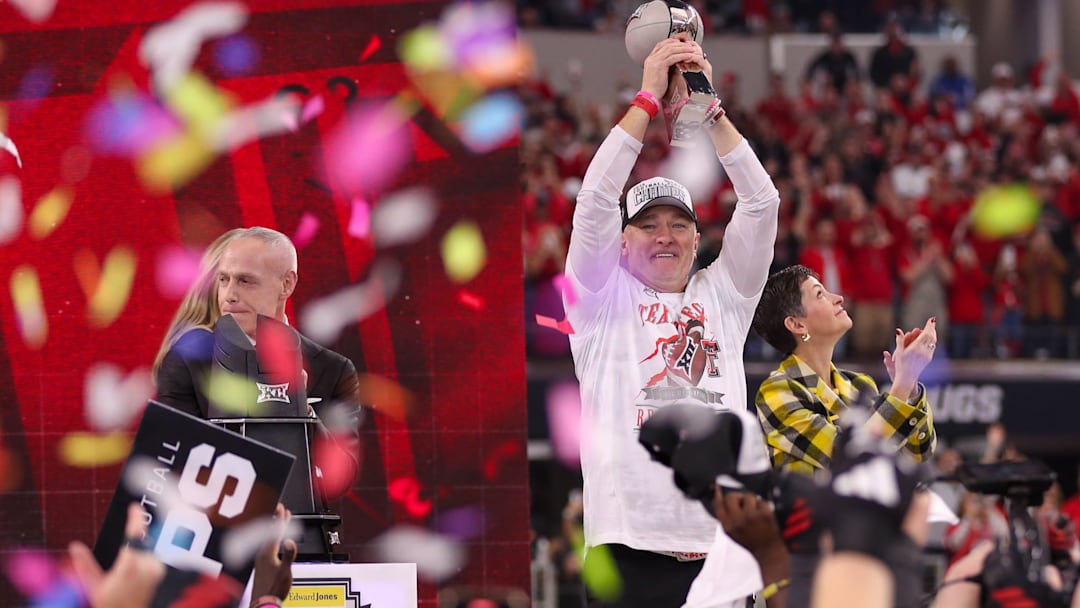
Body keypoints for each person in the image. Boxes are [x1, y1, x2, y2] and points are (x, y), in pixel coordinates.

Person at [564, 30, 780, 608]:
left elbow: (762, 204)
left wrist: (709, 109)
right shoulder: (598, 301)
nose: (665, 237)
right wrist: (646, 101)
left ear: (697, 237)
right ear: (623, 241)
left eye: (679, 225)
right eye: (649, 226)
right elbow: (592, 203)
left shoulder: (725, 297)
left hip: (723, 549)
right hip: (627, 548)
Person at [751, 264, 937, 607]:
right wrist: (899, 387)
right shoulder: (777, 391)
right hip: (806, 565)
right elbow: (842, 458)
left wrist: (908, 389)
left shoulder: (860, 386)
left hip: (874, 557)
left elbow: (918, 455)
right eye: (820, 293)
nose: (838, 297)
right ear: (796, 324)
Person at [153, 227, 360, 419]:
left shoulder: (335, 370)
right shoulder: (188, 361)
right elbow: (171, 450)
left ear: (286, 285)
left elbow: (345, 458)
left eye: (245, 281)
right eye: (223, 280)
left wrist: (302, 412)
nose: (229, 296)